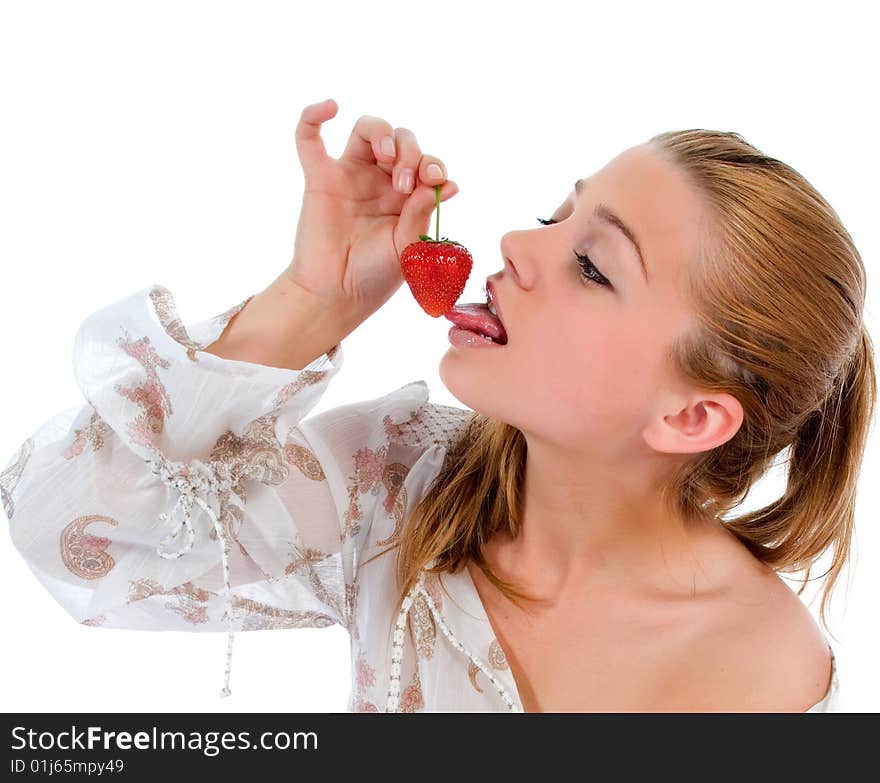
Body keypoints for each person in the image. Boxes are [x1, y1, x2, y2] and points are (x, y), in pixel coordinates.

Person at [2, 98, 872, 712]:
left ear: (691, 417)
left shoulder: (770, 675)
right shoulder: (398, 485)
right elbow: (69, 530)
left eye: (594, 266)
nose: (516, 244)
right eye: (553, 216)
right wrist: (310, 301)